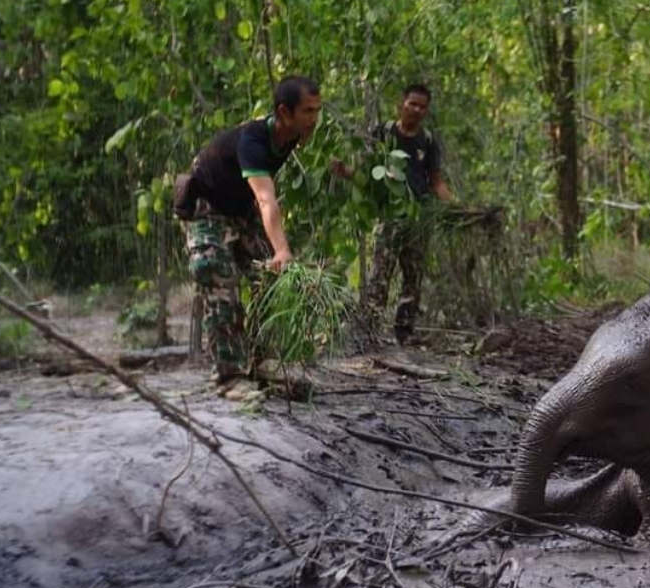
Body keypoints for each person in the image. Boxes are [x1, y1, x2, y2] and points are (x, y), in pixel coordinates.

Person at [176, 75, 322, 386]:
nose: (314, 119)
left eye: (317, 111)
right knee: (215, 273)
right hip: (206, 207)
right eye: (307, 111)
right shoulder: (252, 142)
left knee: (274, 279)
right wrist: (282, 249)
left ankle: (260, 361)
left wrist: (277, 256)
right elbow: (266, 199)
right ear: (284, 112)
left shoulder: (289, 135)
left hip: (239, 211)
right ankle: (229, 376)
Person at [334, 82, 454, 344]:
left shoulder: (428, 141)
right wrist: (346, 173)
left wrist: (454, 207)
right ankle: (368, 330)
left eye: (422, 106)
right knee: (380, 274)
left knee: (413, 276)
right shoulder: (383, 133)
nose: (416, 110)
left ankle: (405, 332)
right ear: (401, 104)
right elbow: (368, 173)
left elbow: (437, 181)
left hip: (418, 217)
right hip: (389, 215)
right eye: (412, 104)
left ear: (426, 111)